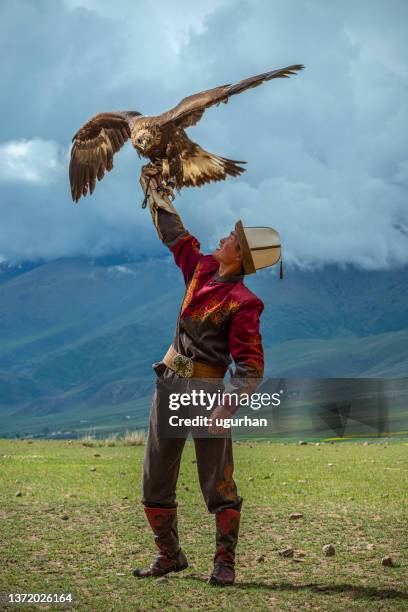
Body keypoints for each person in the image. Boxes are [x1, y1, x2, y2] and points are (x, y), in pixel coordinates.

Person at [133, 168, 282, 586]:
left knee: (218, 482)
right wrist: (157, 196)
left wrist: (225, 405)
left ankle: (225, 563)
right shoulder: (199, 267)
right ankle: (170, 555)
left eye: (231, 238)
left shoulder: (244, 302)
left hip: (207, 391)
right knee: (155, 476)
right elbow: (175, 236)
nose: (224, 237)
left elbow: (250, 366)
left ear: (241, 256)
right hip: (170, 384)